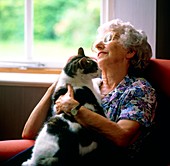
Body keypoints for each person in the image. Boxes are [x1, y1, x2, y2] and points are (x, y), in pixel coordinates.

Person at [4, 19, 157, 166]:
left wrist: (75, 109)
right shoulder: (89, 85)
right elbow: (29, 133)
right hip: (64, 153)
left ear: (129, 51)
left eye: (108, 38)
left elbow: (122, 136)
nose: (97, 45)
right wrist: (59, 84)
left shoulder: (139, 89)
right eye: (97, 41)